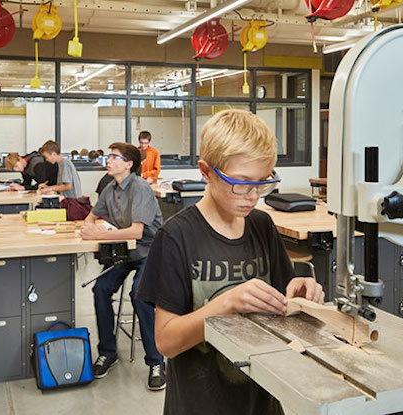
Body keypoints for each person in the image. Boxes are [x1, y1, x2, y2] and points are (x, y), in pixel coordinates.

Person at [136, 109, 325, 415]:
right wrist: (226, 304)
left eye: (262, 182)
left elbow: (283, 309)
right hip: (201, 405)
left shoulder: (262, 226)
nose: (252, 195)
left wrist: (302, 298)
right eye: (241, 182)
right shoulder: (176, 237)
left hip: (261, 402)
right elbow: (166, 342)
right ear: (206, 171)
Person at [80, 142, 166, 390]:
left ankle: (156, 361)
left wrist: (96, 235)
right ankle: (108, 351)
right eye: (109, 156)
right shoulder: (110, 188)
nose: (109, 160)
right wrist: (87, 226)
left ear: (128, 164)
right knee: (100, 290)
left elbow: (137, 232)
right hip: (124, 252)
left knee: (140, 295)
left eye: (115, 157)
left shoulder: (139, 188)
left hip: (149, 252)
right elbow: (92, 216)